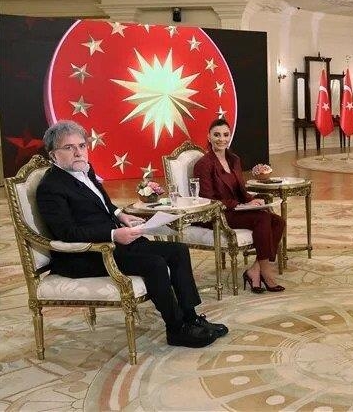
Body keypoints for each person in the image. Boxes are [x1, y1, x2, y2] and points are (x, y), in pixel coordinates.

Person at [36, 120, 227, 348]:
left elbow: (102, 202)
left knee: (178, 250)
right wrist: (113, 234)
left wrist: (120, 214)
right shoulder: (51, 187)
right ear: (53, 155)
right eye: (69, 147)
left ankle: (190, 317)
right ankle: (176, 329)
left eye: (82, 146)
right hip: (84, 255)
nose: (78, 152)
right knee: (154, 263)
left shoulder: (84, 170)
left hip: (113, 243)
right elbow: (66, 232)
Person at [193, 118, 285, 293]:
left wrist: (251, 200)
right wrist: (238, 205)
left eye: (225, 135)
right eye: (217, 135)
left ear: (230, 136)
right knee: (262, 219)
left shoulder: (234, 159)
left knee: (278, 221)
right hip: (218, 213)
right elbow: (206, 199)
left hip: (237, 209)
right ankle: (266, 272)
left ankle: (255, 269)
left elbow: (240, 190)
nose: (222, 139)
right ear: (209, 137)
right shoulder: (203, 164)